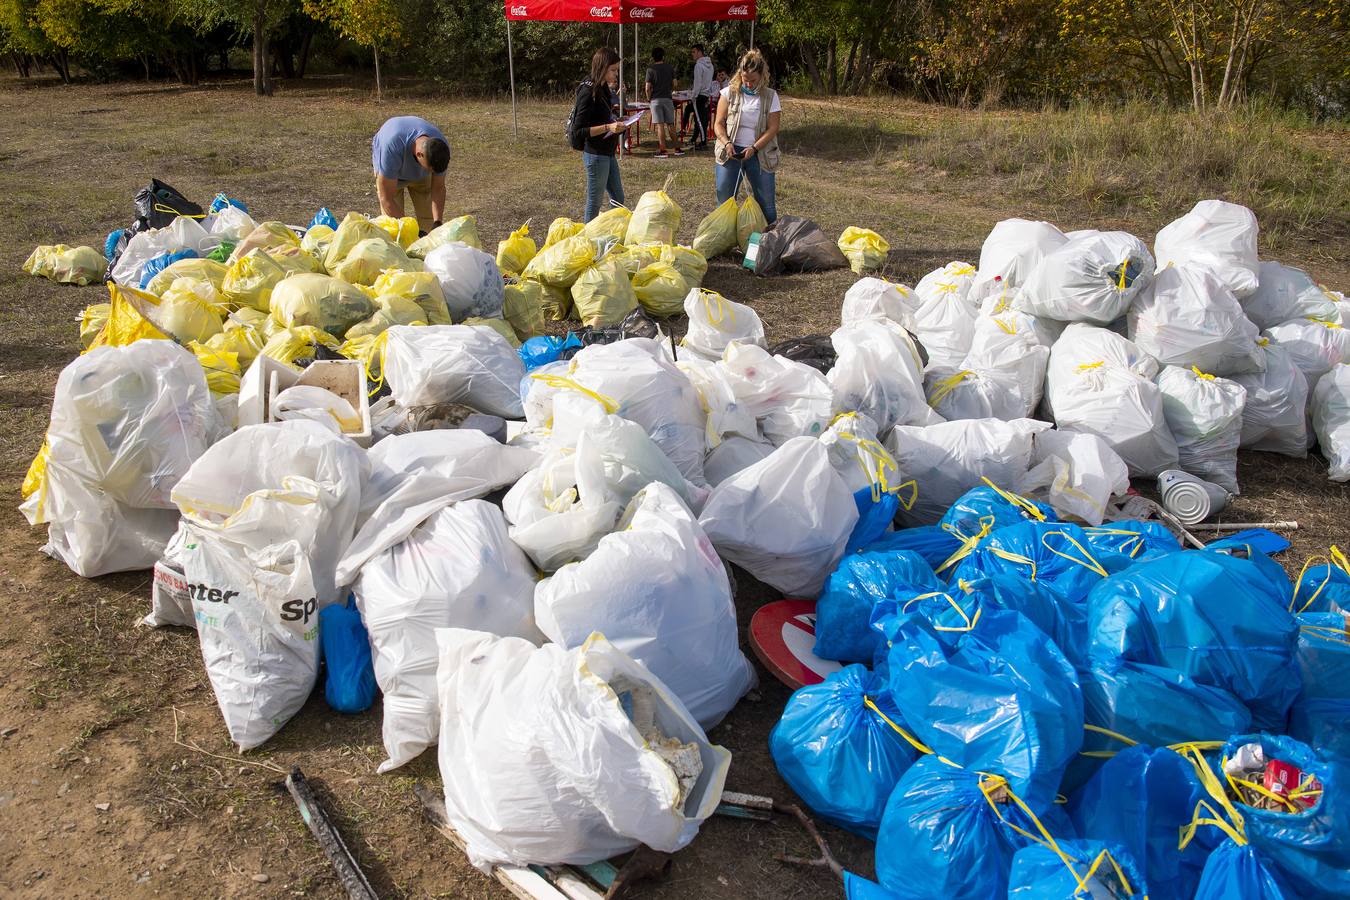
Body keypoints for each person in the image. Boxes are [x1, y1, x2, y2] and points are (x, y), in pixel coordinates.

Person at [713, 49, 781, 224]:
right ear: (739, 74)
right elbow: (718, 123)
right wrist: (727, 143)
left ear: (762, 75)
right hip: (730, 153)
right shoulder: (729, 93)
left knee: (767, 206)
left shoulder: (771, 96)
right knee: (725, 202)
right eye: (745, 80)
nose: (748, 84)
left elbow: (773, 128)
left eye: (753, 80)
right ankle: (723, 240)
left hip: (760, 155)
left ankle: (769, 241)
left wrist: (754, 148)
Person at [571, 47, 628, 223]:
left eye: (617, 70)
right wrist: (608, 127)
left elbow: (602, 115)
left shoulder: (603, 88)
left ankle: (606, 229)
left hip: (607, 152)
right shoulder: (588, 92)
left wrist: (619, 120)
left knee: (618, 199)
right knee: (594, 203)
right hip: (595, 155)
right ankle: (588, 238)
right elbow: (578, 131)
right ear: (602, 68)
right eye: (613, 70)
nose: (616, 74)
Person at [371, 116, 450, 235]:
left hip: (419, 171)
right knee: (394, 228)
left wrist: (437, 221)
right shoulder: (391, 147)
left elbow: (438, 188)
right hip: (391, 176)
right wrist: (410, 231)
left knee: (429, 223)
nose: (431, 173)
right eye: (429, 169)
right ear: (419, 155)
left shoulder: (440, 150)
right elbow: (386, 199)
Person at [645, 47, 682, 159]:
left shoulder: (650, 69)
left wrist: (649, 98)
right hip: (668, 98)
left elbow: (647, 88)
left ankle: (663, 150)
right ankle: (677, 148)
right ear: (663, 56)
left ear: (653, 57)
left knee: (660, 125)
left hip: (655, 100)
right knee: (671, 124)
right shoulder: (669, 67)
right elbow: (675, 83)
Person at [687, 44, 715, 151]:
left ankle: (703, 142)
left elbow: (697, 84)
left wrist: (693, 96)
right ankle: (699, 140)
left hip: (699, 96)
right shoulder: (710, 65)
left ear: (700, 52)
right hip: (706, 95)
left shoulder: (698, 65)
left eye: (694, 52)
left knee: (699, 120)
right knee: (702, 119)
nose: (692, 54)